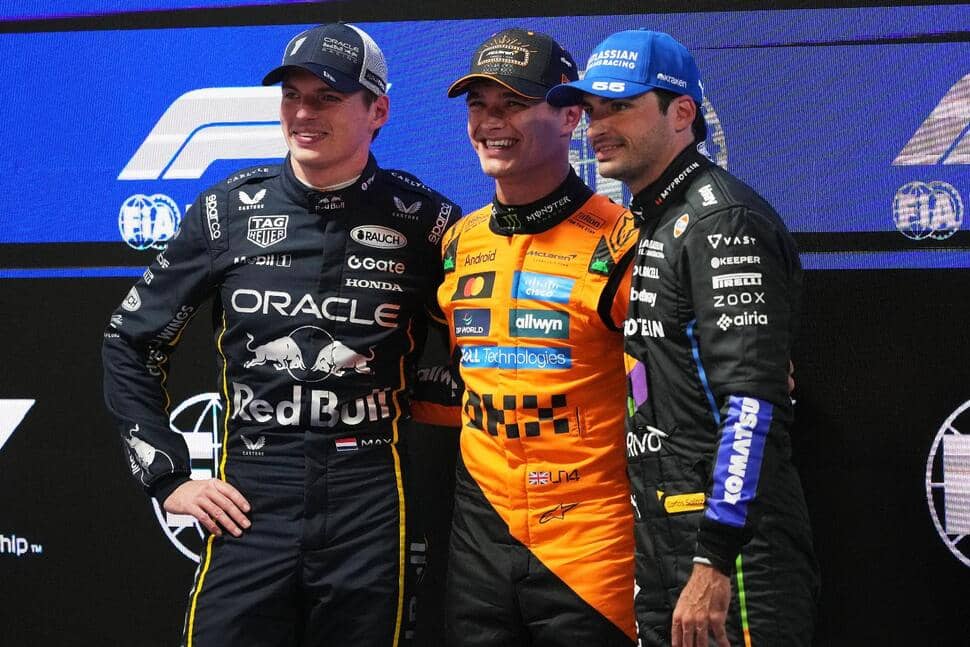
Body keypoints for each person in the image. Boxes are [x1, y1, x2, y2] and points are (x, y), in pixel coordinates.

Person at [102, 23, 461, 647]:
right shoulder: (226, 210)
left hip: (370, 496)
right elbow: (131, 340)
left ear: (378, 111)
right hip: (251, 495)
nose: (302, 113)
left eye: (326, 98)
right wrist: (167, 475)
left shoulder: (428, 221)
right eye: (291, 95)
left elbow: (479, 347)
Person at [548, 29, 820, 647]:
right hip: (666, 541)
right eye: (592, 110)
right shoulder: (653, 219)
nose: (597, 128)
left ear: (681, 113)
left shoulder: (722, 220)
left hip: (734, 556)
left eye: (620, 107)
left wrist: (714, 559)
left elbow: (752, 402)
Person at [438, 28, 639, 647]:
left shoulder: (624, 240)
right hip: (480, 538)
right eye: (479, 105)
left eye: (514, 104)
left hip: (589, 544)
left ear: (571, 116)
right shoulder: (459, 241)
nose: (490, 122)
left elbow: (680, 386)